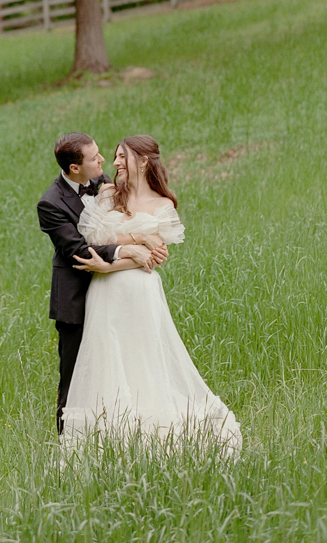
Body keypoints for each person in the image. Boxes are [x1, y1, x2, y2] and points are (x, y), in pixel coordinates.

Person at [63, 134, 242, 452]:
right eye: (114, 157)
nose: (114, 162)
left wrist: (110, 265)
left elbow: (155, 255)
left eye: (122, 157)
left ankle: (153, 437)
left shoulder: (163, 204)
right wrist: (138, 242)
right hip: (106, 295)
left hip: (140, 290)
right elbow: (92, 242)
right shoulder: (106, 195)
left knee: (144, 360)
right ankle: (111, 440)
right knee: (108, 360)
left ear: (143, 161)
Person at [37, 133, 168, 434]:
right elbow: (80, 250)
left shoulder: (101, 182)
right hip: (77, 299)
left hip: (115, 295)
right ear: (74, 168)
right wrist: (129, 249)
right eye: (94, 158)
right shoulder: (50, 204)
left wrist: (141, 240)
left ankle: (122, 432)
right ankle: (68, 446)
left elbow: (117, 225)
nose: (102, 161)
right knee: (74, 377)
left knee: (122, 365)